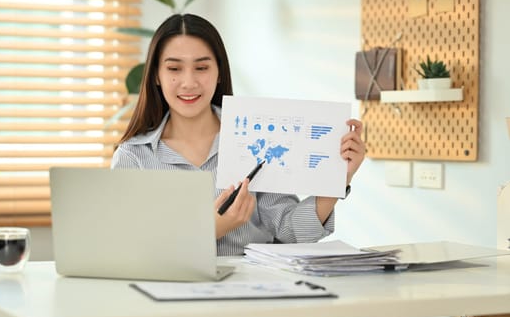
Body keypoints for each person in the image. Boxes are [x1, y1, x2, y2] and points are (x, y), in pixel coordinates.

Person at [111, 13, 366, 256]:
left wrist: (336, 179)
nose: (189, 82)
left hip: (256, 293)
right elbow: (129, 247)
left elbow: (291, 230)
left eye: (201, 68)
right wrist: (211, 229)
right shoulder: (134, 157)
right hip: (166, 295)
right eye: (174, 69)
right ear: (156, 74)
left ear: (219, 72)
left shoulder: (258, 139)